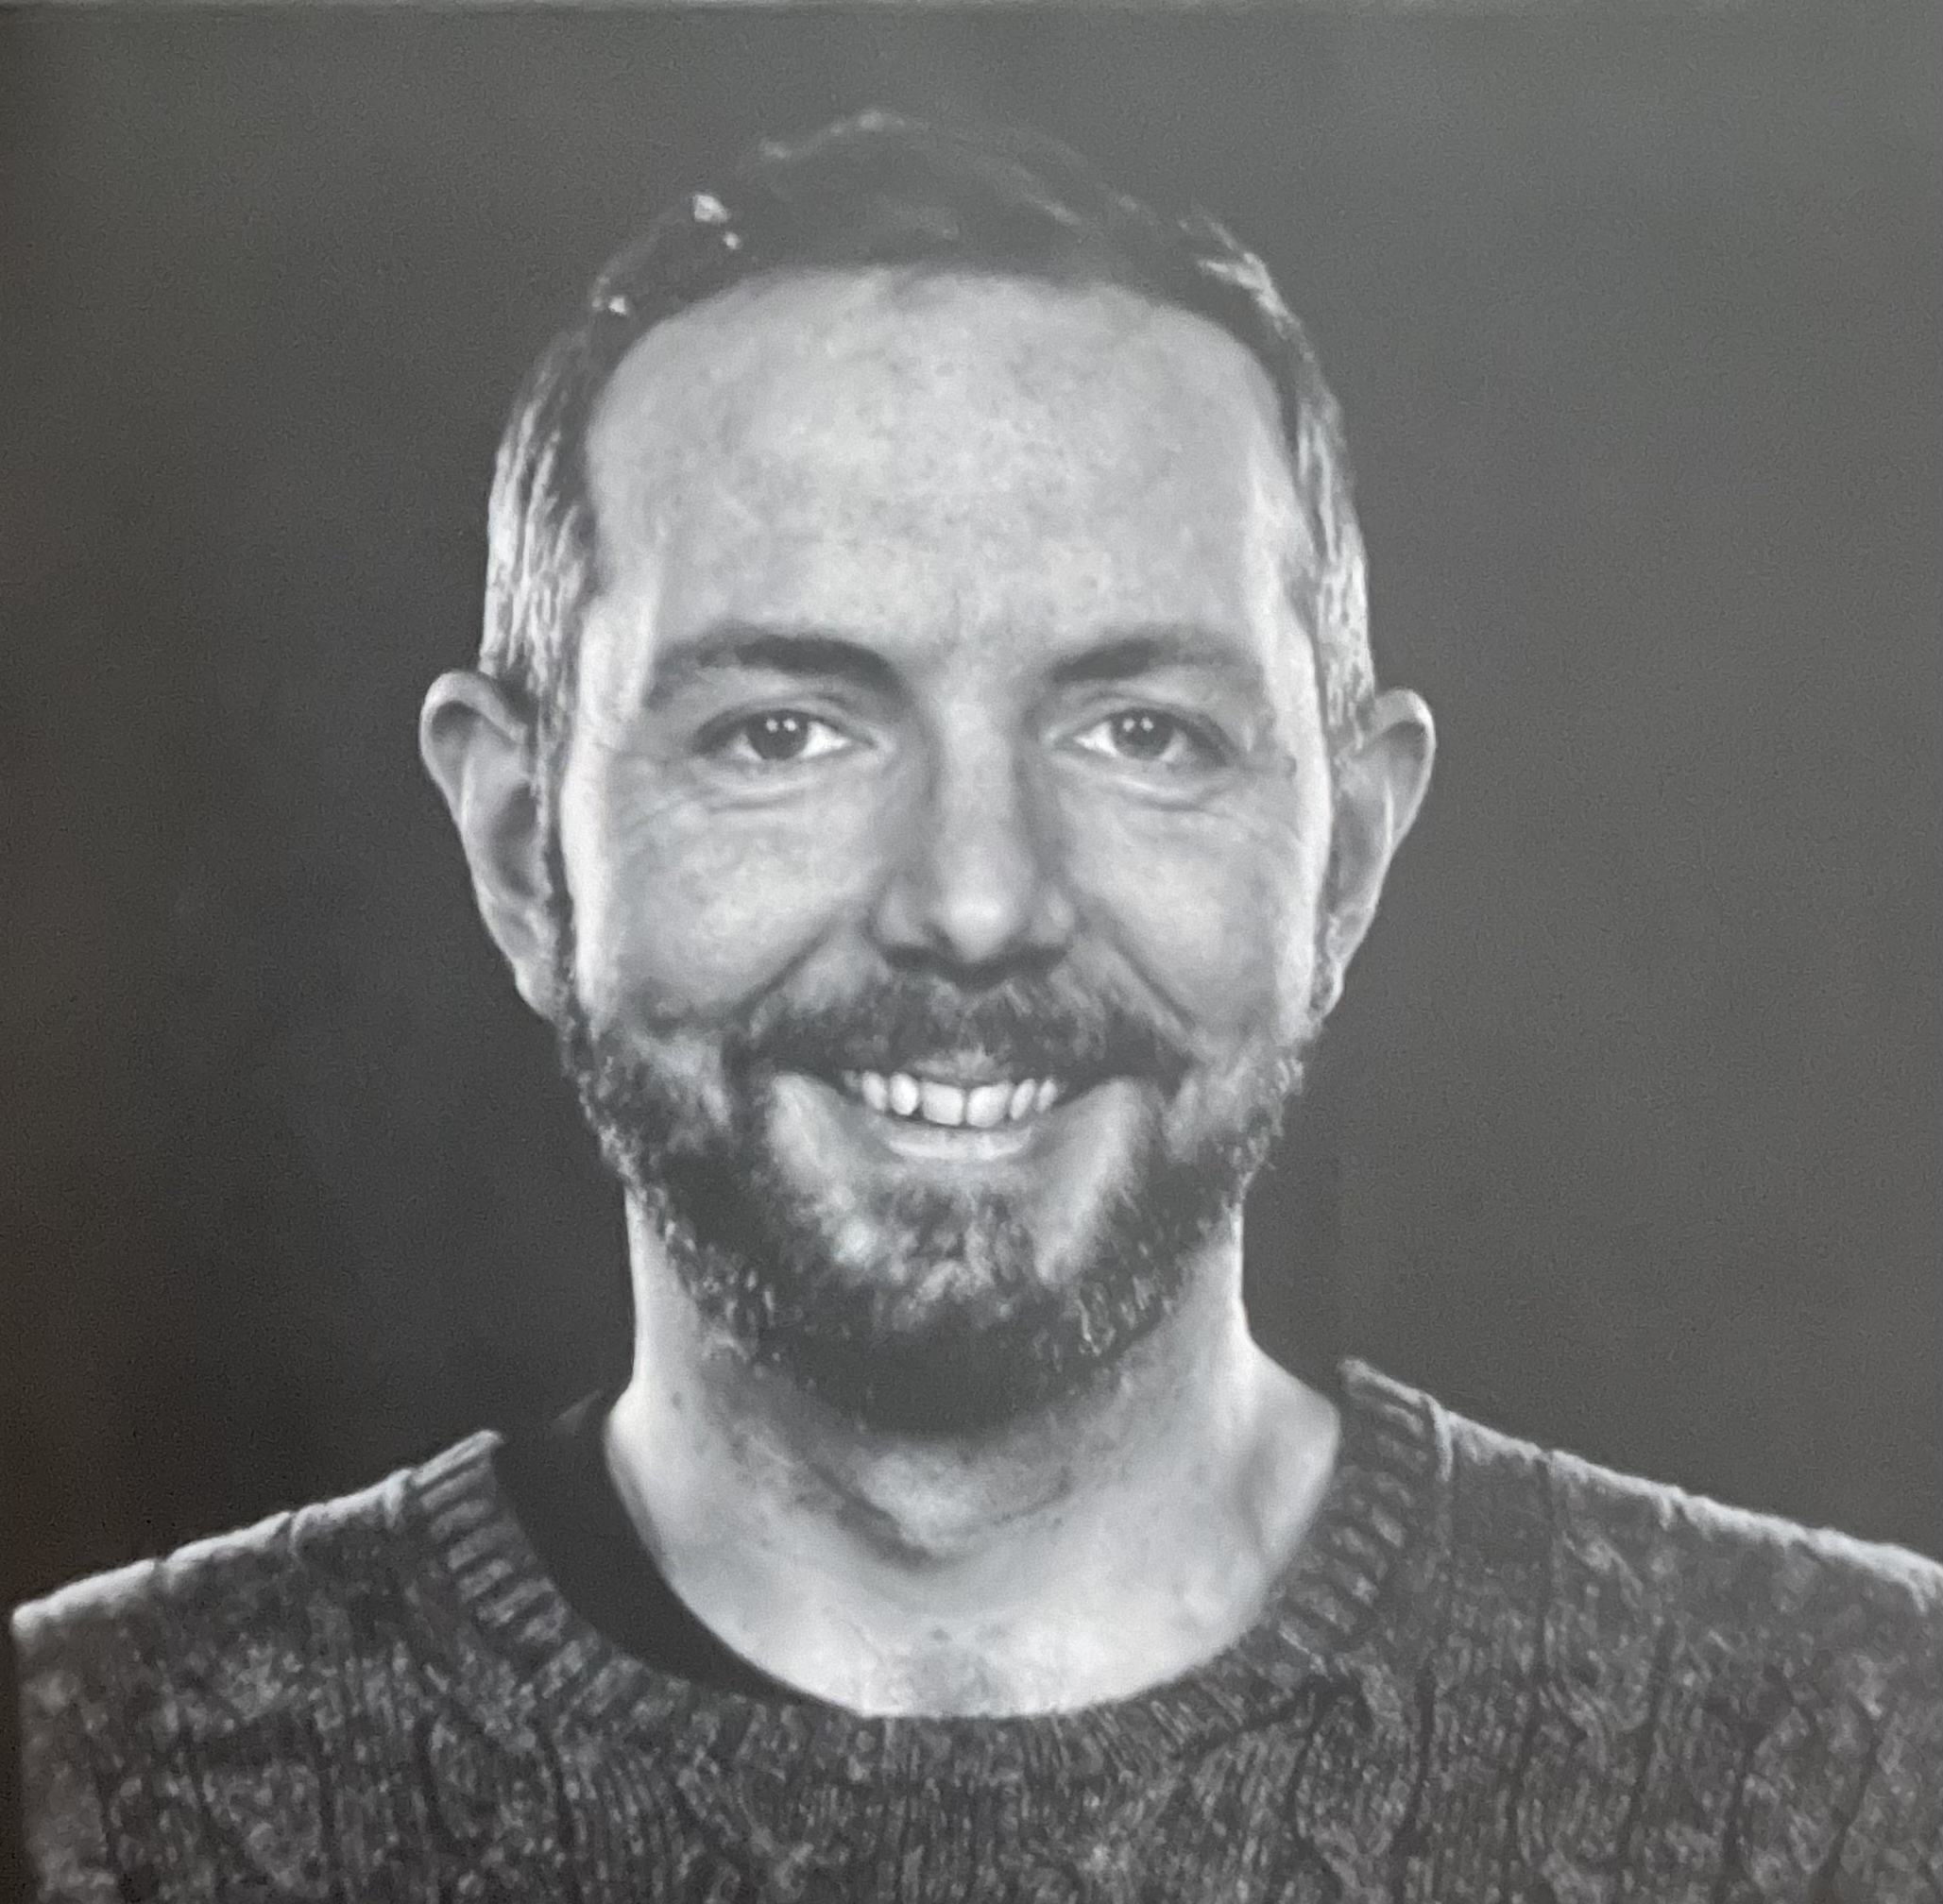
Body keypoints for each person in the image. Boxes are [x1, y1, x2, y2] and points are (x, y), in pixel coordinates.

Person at [11, 110, 1939, 1903]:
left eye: (1139, 730)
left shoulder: (1867, 1765)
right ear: (526, 850)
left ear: (1343, 856)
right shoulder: (87, 1787)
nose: (976, 900)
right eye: (784, 730)